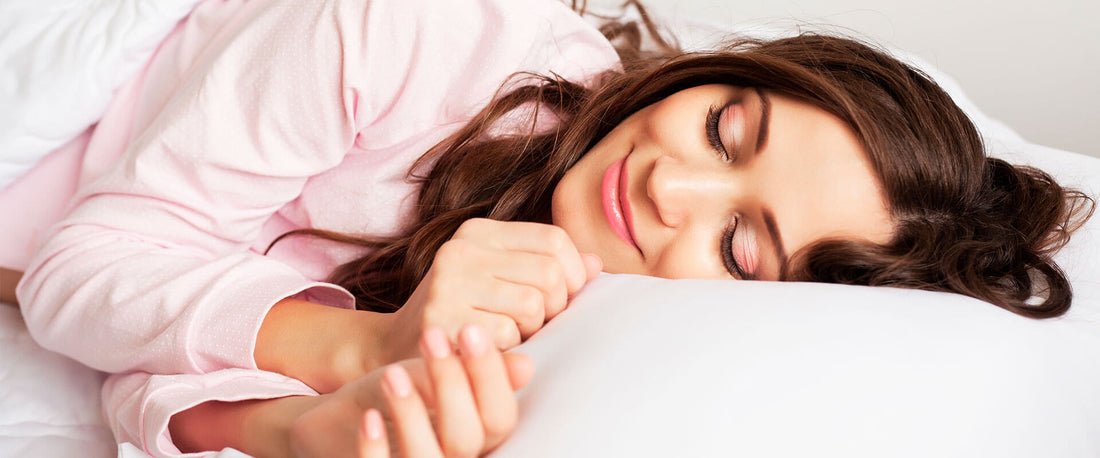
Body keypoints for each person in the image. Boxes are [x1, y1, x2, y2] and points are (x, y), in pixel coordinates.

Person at [0, 0, 1093, 455]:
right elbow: (83, 272)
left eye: (739, 246)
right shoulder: (424, 28)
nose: (673, 190)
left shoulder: (564, 291)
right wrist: (362, 346)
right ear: (719, 72)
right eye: (723, 125)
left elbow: (156, 341)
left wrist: (297, 428)